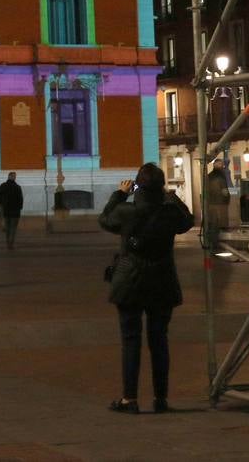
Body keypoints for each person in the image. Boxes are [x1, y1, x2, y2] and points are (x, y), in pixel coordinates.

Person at [98, 163, 195, 414]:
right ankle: (160, 399)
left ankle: (129, 399)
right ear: (161, 187)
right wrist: (172, 198)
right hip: (162, 282)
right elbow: (188, 220)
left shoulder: (126, 212)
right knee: (159, 340)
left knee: (130, 341)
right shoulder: (169, 213)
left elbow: (105, 219)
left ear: (137, 186)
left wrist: (120, 194)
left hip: (129, 283)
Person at [0, 172, 23, 249]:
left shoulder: (3, 186)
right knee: (13, 228)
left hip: (6, 211)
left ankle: (8, 242)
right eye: (14, 176)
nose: (14, 177)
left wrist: (2, 206)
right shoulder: (17, 187)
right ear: (11, 177)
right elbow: (20, 199)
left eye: (14, 176)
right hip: (15, 212)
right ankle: (11, 243)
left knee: (8, 228)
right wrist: (19, 208)